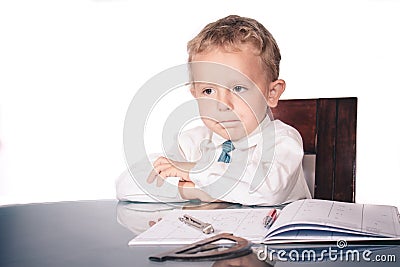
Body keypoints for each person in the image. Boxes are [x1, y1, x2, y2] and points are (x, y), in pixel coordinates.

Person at [117, 15, 311, 205]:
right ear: (196, 95)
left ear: (271, 93)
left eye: (238, 88)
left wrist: (195, 171)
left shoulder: (282, 140)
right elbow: (128, 184)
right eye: (208, 90)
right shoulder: (192, 142)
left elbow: (266, 190)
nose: (222, 105)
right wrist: (195, 191)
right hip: (211, 235)